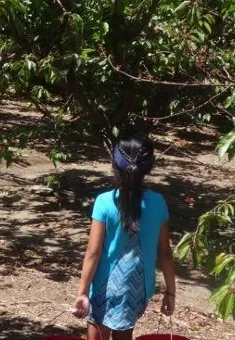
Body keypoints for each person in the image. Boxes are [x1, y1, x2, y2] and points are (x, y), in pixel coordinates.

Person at [71, 132, 176, 340]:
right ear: (149, 166)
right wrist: (170, 292)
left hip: (103, 286)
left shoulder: (104, 202)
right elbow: (165, 253)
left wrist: (82, 292)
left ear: (114, 164)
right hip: (137, 288)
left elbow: (93, 253)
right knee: (124, 334)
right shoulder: (158, 202)